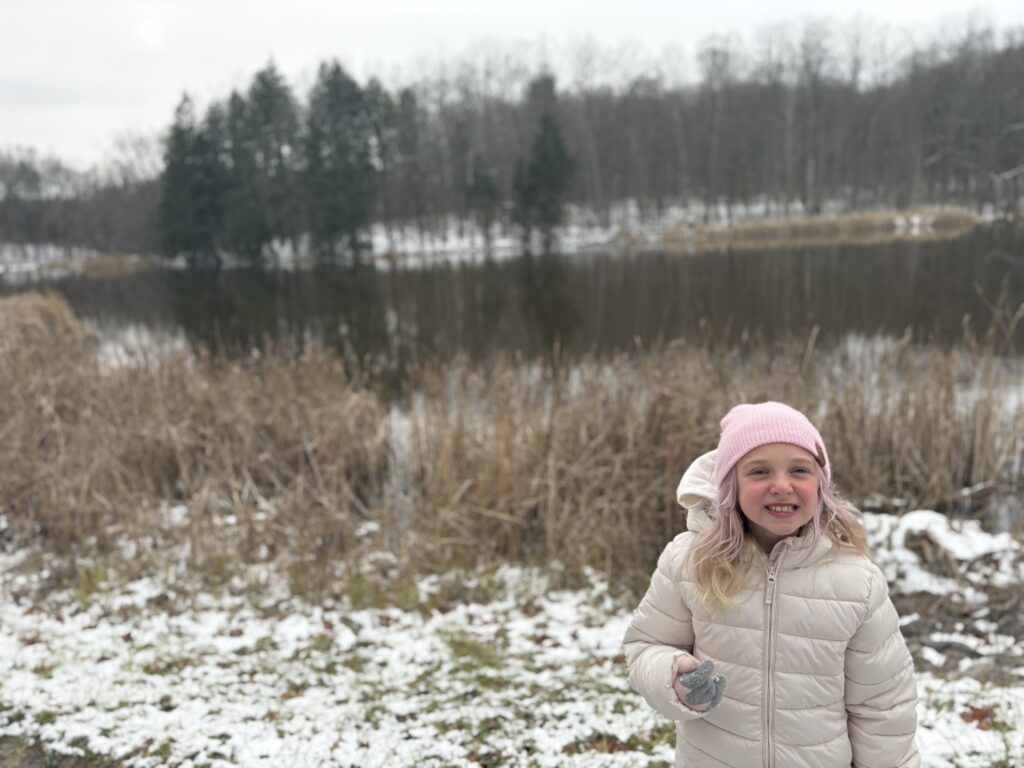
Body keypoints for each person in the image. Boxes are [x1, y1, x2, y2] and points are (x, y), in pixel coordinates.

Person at [622, 401, 919, 767]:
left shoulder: (857, 581)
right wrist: (671, 676)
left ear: (820, 485)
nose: (781, 486)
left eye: (799, 470)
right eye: (759, 471)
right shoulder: (690, 563)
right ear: (731, 486)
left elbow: (883, 706)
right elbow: (647, 645)